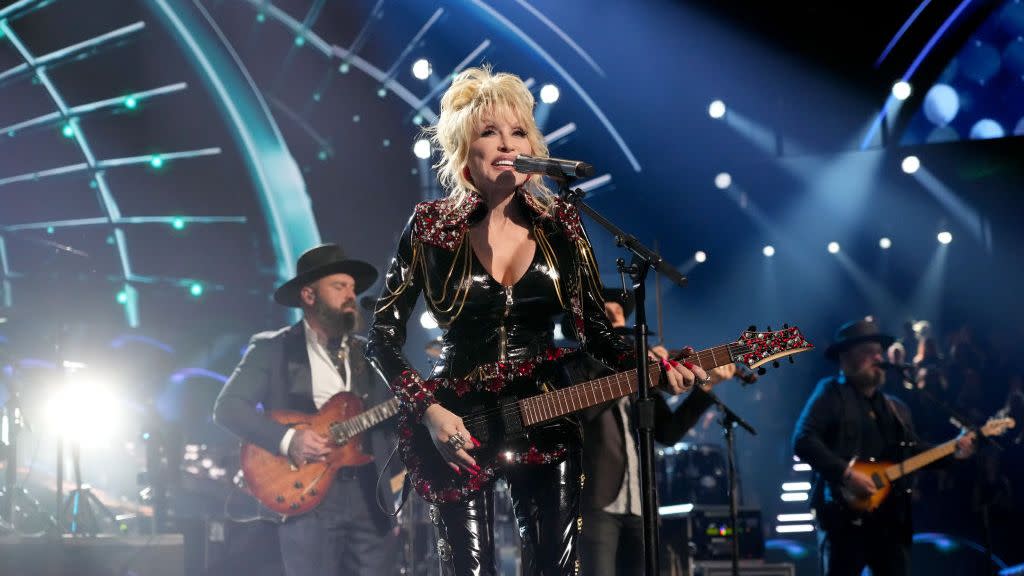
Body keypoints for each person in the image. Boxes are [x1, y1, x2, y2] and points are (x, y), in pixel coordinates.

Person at [365, 66, 708, 576]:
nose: (507, 142)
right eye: (489, 131)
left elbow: (594, 329)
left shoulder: (561, 226)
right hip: (458, 417)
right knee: (468, 568)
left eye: (518, 131)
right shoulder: (430, 227)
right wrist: (431, 412)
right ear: (465, 151)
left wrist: (659, 366)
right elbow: (382, 338)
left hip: (546, 410)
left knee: (556, 566)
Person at [213, 244, 399, 576]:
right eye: (339, 286)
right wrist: (288, 439)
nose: (350, 296)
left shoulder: (369, 356)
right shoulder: (274, 348)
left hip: (369, 495)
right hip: (306, 494)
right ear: (309, 296)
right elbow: (228, 407)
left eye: (353, 288)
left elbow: (391, 418)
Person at [577, 287, 746, 576]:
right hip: (597, 500)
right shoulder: (579, 364)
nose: (617, 317)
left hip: (641, 502)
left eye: (621, 313)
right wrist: (632, 370)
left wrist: (705, 387)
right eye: (609, 313)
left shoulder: (639, 371)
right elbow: (583, 413)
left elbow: (668, 433)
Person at [792, 317, 975, 576]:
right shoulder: (830, 393)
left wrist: (954, 451)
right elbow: (803, 439)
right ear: (846, 358)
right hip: (844, 518)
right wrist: (846, 474)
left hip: (890, 520)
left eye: (879, 352)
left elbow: (914, 453)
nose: (877, 358)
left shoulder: (896, 408)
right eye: (868, 352)